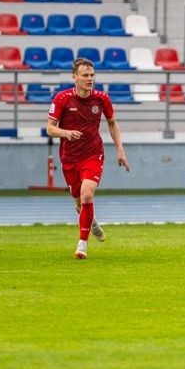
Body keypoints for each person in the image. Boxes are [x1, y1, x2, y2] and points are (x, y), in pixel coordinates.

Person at [46, 58, 130, 260]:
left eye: (92, 75)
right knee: (78, 201)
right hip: (69, 157)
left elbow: (112, 123)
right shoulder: (62, 98)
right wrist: (66, 133)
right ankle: (90, 221)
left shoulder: (102, 99)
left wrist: (120, 150)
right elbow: (50, 128)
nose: (90, 78)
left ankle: (82, 244)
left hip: (93, 154)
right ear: (74, 77)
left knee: (86, 195)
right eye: (85, 75)